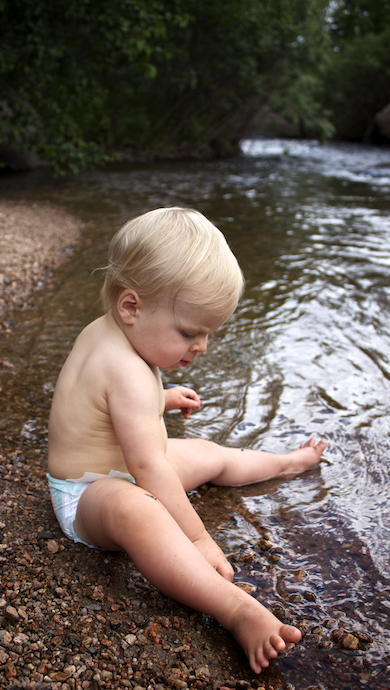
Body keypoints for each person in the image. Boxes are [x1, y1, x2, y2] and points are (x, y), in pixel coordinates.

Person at [47, 207, 326, 675]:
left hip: (126, 463)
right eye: (189, 333)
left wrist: (162, 397)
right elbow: (149, 469)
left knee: (207, 453)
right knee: (140, 510)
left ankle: (284, 463)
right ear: (131, 306)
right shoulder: (127, 371)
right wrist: (197, 538)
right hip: (86, 493)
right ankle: (235, 610)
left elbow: (107, 403)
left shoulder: (116, 336)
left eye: (207, 334)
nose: (200, 347)